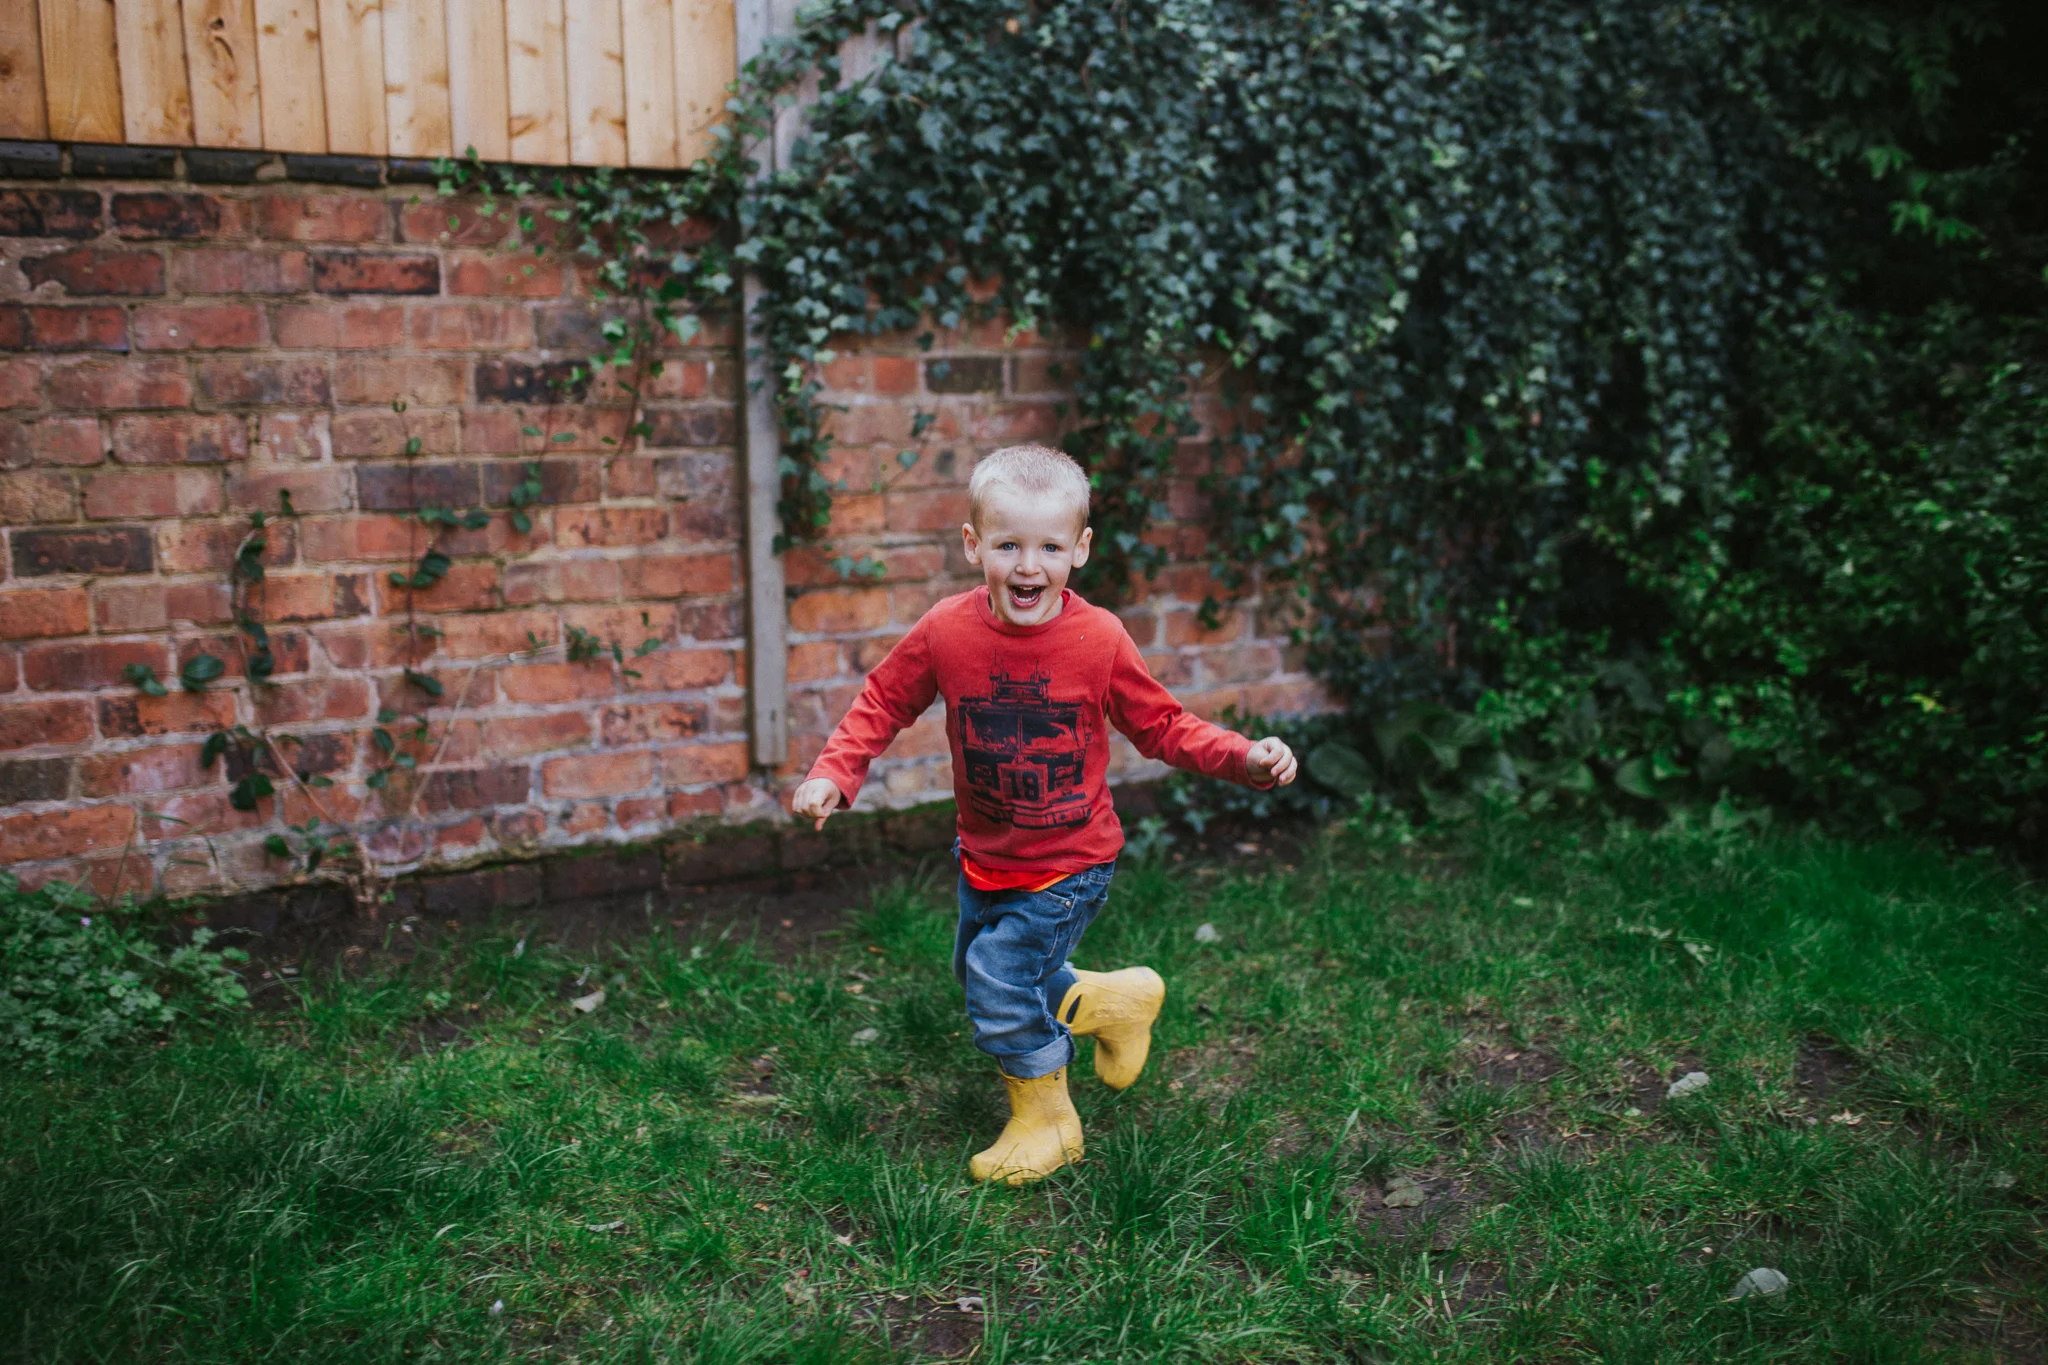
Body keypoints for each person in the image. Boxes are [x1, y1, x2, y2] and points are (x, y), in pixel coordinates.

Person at [790, 444, 1298, 1184]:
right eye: (1008, 546)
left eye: (1050, 548)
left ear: (1080, 549)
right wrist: (835, 772)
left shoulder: (1099, 640)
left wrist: (1243, 756)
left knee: (998, 980)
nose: (1029, 566)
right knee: (983, 973)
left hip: (1069, 863)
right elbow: (884, 700)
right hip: (986, 856)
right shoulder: (945, 631)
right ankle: (1115, 1002)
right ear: (974, 545)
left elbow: (1163, 725)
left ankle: (1049, 1121)